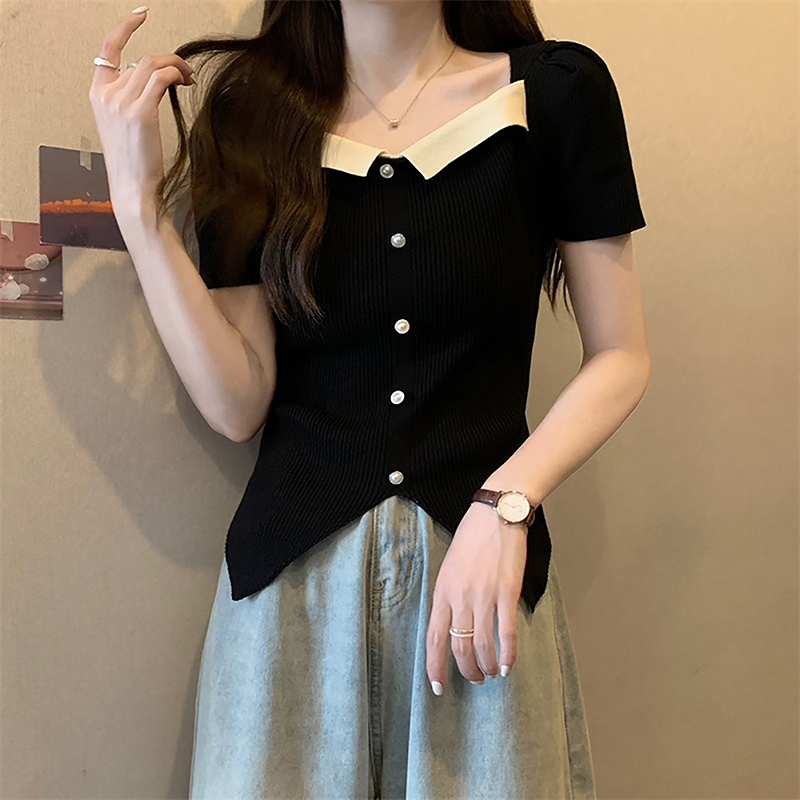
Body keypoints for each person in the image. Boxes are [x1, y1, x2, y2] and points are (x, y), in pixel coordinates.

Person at [89, 2, 650, 797]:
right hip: (291, 601)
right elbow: (238, 404)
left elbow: (622, 355)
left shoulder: (557, 93)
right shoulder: (251, 113)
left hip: (477, 592)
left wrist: (507, 505)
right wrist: (138, 206)